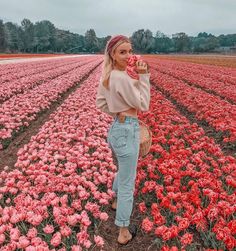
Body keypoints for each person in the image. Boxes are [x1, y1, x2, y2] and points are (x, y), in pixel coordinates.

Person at [95, 34, 151, 245]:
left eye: (129, 50)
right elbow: (143, 104)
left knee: (122, 169)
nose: (128, 55)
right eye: (122, 52)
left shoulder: (109, 76)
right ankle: (123, 232)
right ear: (113, 54)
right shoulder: (120, 77)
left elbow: (100, 104)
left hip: (116, 129)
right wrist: (144, 76)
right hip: (128, 130)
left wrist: (118, 112)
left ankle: (116, 202)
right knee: (128, 181)